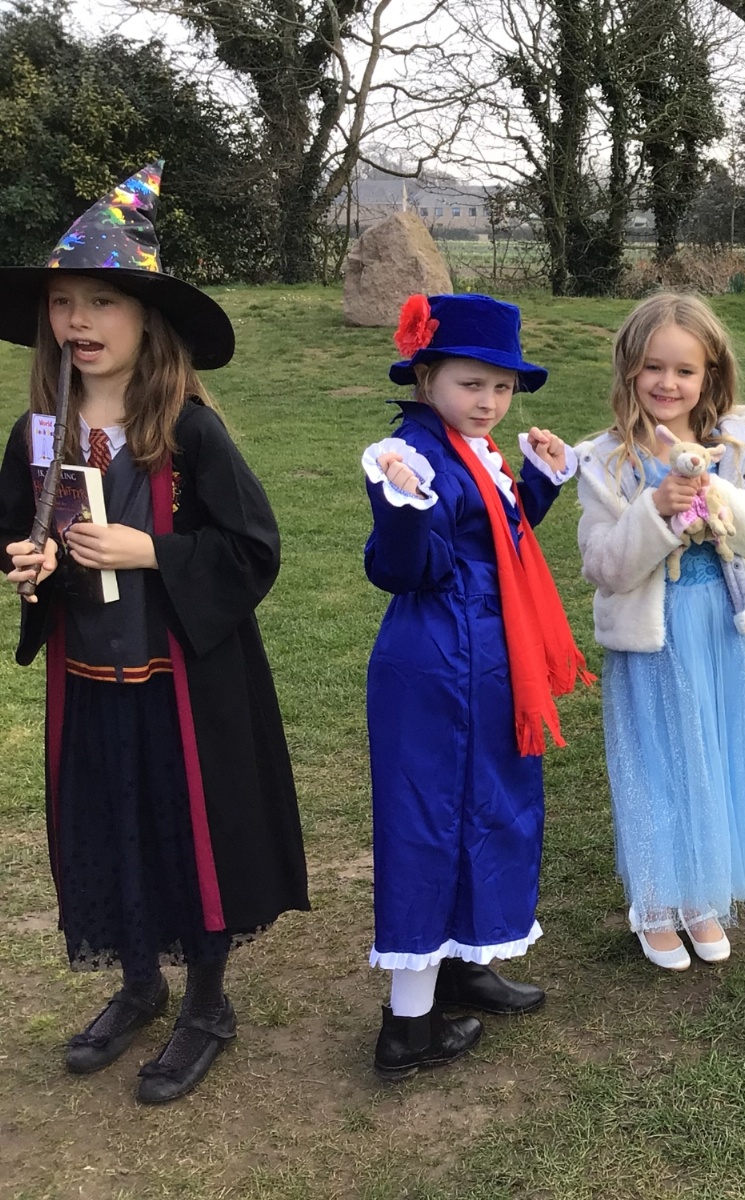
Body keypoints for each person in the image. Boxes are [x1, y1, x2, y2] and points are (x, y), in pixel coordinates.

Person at [0, 163, 308, 1104]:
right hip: (87, 680)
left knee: (187, 836)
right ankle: (140, 984)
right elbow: (18, 531)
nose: (79, 321)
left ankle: (207, 1003)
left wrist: (152, 550)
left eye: (102, 301)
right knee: (111, 829)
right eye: (63, 303)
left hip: (180, 687)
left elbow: (253, 549)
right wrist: (32, 563)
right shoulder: (37, 435)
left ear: (146, 319)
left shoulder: (189, 431)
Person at [573, 291, 745, 971]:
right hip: (655, 641)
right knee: (662, 764)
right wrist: (655, 511)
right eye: (653, 367)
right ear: (629, 368)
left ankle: (701, 895)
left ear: (710, 374)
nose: (668, 383)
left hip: (727, 631)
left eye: (685, 370)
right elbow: (603, 566)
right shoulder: (605, 460)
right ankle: (657, 901)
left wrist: (713, 490)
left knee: (718, 755)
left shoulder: (739, 442)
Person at [362, 292, 589, 1077]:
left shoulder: (469, 449)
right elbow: (408, 567)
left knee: (485, 812)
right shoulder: (415, 454)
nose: (488, 400)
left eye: (501, 386)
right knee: (430, 825)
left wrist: (540, 482)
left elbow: (495, 536)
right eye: (471, 383)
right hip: (439, 667)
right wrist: (400, 504)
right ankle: (408, 1028)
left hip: (486, 659)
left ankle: (464, 963)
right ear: (427, 378)